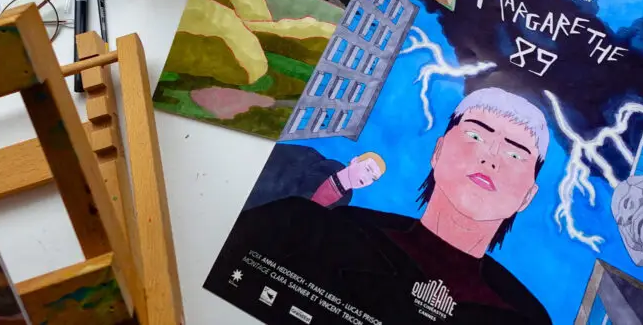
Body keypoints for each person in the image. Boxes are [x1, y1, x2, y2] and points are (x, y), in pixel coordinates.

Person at [208, 87, 552, 325]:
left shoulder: (524, 316)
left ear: (528, 196)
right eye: (476, 136)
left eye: (514, 154)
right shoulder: (317, 228)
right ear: (437, 152)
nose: (490, 157)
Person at [243, 146, 386, 210]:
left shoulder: (341, 208)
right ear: (355, 161)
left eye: (373, 178)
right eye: (368, 169)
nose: (367, 178)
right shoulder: (308, 157)